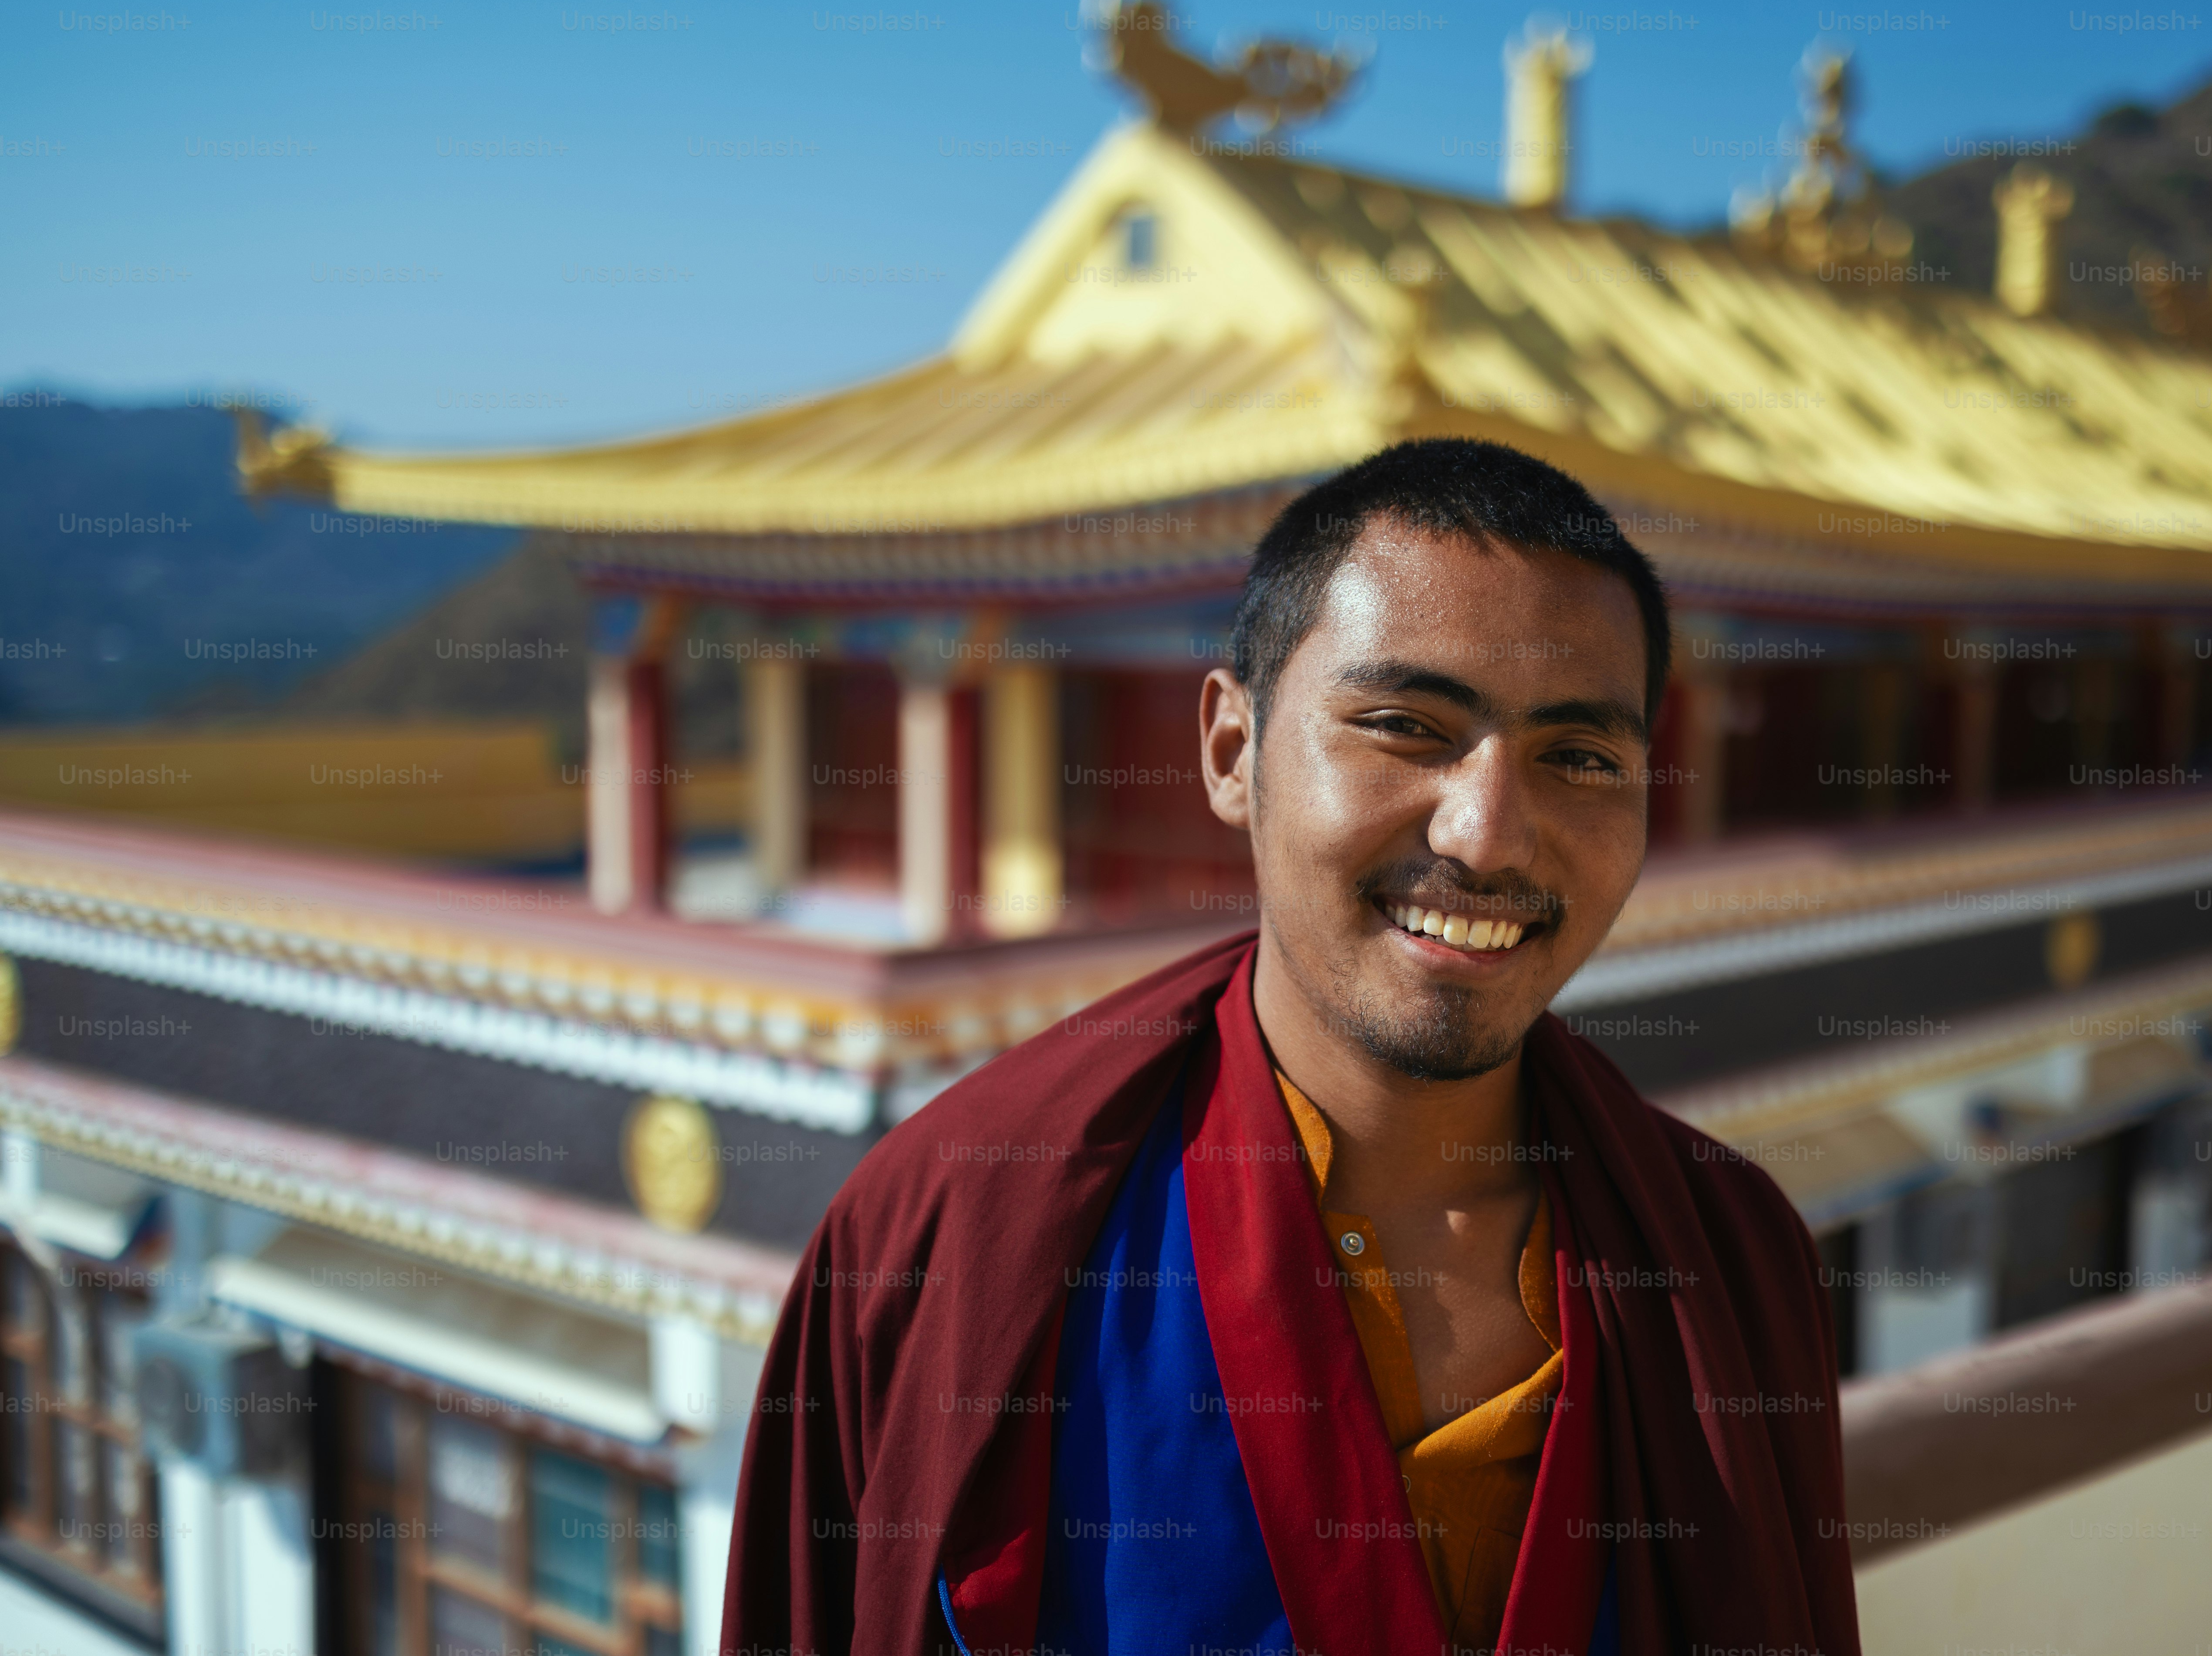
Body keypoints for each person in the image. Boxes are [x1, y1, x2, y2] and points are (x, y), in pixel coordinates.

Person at [721, 438, 1861, 1656]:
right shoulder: (957, 1229)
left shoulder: (1727, 1251)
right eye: (1406, 725)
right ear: (1231, 749)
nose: (1487, 836)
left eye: (1579, 757)